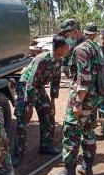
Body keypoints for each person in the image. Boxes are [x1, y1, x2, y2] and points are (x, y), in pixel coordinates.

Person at [53, 22, 104, 175]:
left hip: (83, 98)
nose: (65, 38)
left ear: (75, 32)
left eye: (67, 35)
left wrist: (78, 102)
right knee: (88, 131)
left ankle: (69, 172)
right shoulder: (94, 47)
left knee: (71, 131)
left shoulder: (81, 49)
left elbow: (85, 79)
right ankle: (87, 168)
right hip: (93, 98)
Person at [13, 35, 70, 164]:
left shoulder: (59, 60)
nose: (68, 49)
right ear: (60, 49)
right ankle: (17, 154)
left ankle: (46, 146)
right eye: (67, 47)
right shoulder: (42, 59)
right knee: (23, 119)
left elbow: (56, 82)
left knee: (48, 115)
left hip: (38, 86)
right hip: (26, 86)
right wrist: (30, 106)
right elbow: (31, 82)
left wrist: (53, 102)